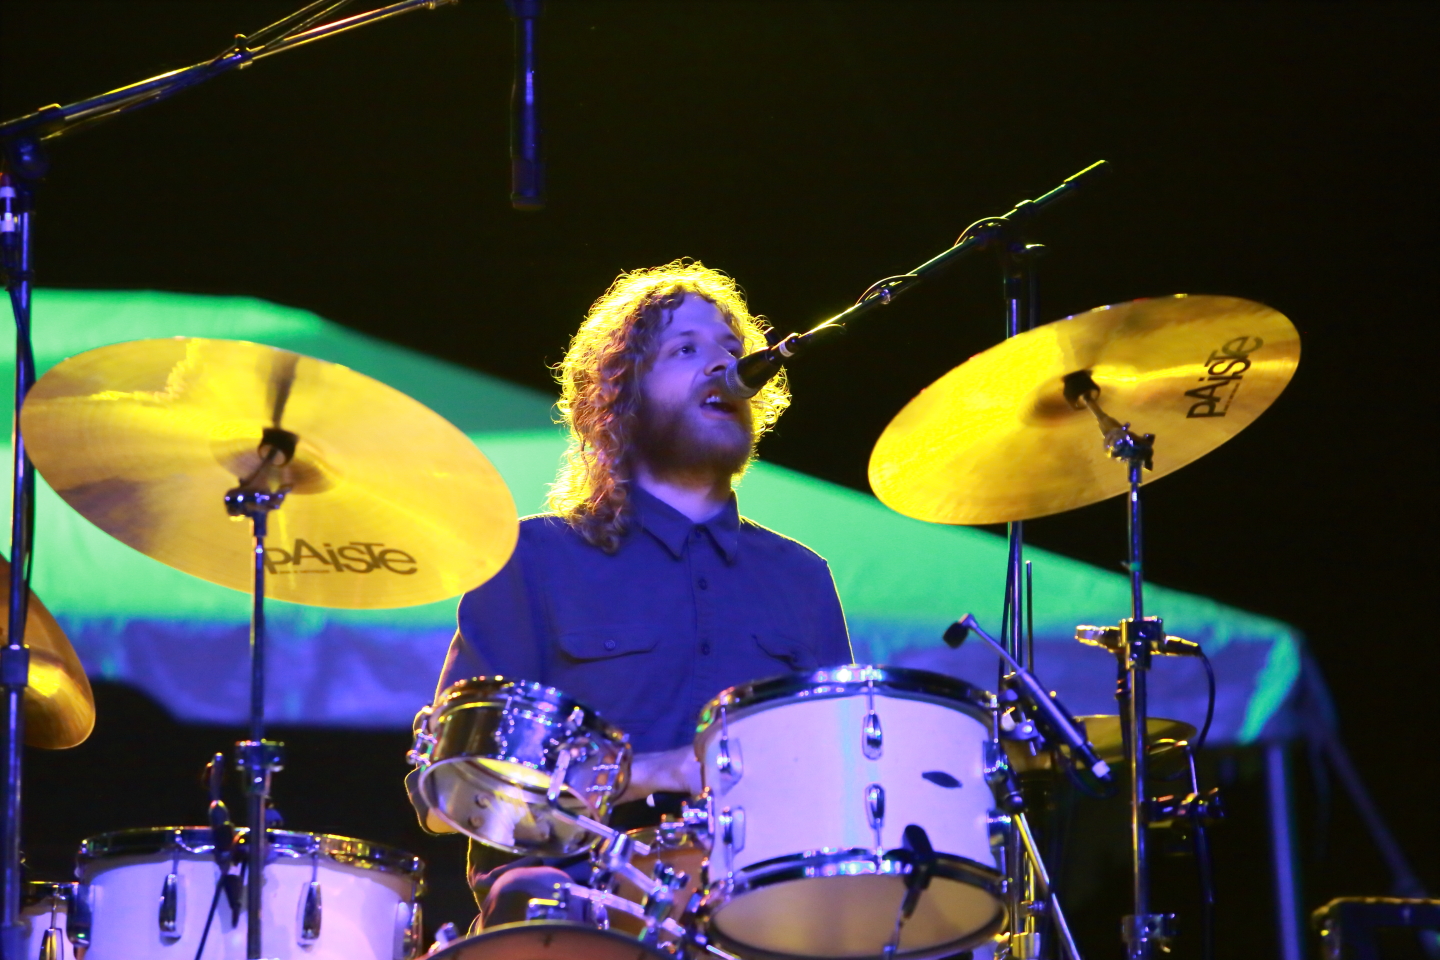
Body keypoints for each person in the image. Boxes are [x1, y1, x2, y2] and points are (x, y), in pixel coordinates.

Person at [411, 259, 852, 928]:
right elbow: (451, 798)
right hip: (570, 914)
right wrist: (652, 772)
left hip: (763, 914)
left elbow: (842, 783)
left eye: (732, 349)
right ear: (620, 393)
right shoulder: (533, 557)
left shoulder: (802, 577)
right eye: (686, 350)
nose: (724, 365)